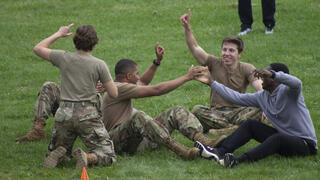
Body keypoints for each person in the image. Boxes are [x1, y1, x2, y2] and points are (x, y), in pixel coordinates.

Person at [102, 44, 226, 160]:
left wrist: (157, 61)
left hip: (136, 141)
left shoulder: (121, 85)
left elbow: (143, 82)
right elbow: (156, 90)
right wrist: (187, 77)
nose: (138, 77)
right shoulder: (118, 88)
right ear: (128, 76)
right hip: (119, 144)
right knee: (138, 116)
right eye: (136, 74)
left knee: (176, 111)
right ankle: (179, 149)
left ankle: (202, 140)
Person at [194, 63, 317, 168]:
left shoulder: (289, 92)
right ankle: (220, 152)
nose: (261, 78)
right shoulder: (262, 96)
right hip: (284, 140)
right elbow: (236, 97)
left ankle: (238, 161)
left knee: (278, 138)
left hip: (305, 145)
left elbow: (297, 83)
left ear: (276, 79)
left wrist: (274, 74)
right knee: (250, 125)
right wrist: (211, 83)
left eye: (266, 75)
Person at [33, 24, 118, 168]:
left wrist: (58, 34)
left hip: (63, 114)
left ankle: (60, 152)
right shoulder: (99, 64)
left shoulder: (63, 57)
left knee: (62, 149)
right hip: (87, 115)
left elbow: (38, 49)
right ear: (95, 42)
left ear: (75, 41)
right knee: (108, 155)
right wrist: (103, 86)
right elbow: (114, 93)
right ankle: (88, 157)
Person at [180, 9, 263, 134]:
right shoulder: (214, 62)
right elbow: (195, 48)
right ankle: (233, 128)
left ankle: (224, 129)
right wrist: (187, 28)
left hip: (238, 112)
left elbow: (259, 85)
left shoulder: (247, 68)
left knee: (260, 108)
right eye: (224, 50)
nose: (226, 54)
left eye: (231, 51)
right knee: (197, 110)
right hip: (216, 113)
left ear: (240, 54)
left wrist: (266, 103)